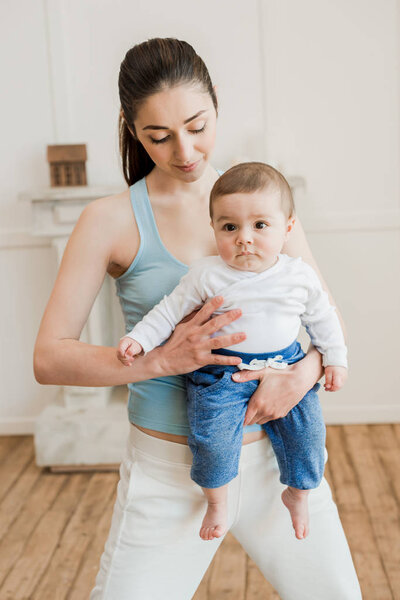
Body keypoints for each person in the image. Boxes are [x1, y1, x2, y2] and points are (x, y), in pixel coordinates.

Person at [34, 38, 362, 599]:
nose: (185, 151)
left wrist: (302, 377)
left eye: (197, 126)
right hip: (170, 473)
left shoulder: (260, 201)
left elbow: (324, 319)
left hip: (276, 460)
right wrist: (163, 358)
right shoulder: (108, 219)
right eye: (158, 137)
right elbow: (49, 357)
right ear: (132, 130)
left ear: (216, 106)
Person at [117, 161, 348, 542]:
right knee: (211, 438)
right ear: (214, 230)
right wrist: (139, 340)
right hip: (222, 374)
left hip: (287, 365)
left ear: (287, 228)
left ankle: (300, 493)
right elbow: (168, 311)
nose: (244, 238)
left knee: (309, 435)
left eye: (260, 225)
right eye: (230, 227)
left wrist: (335, 360)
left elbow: (324, 320)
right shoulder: (206, 274)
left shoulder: (298, 274)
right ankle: (218, 502)